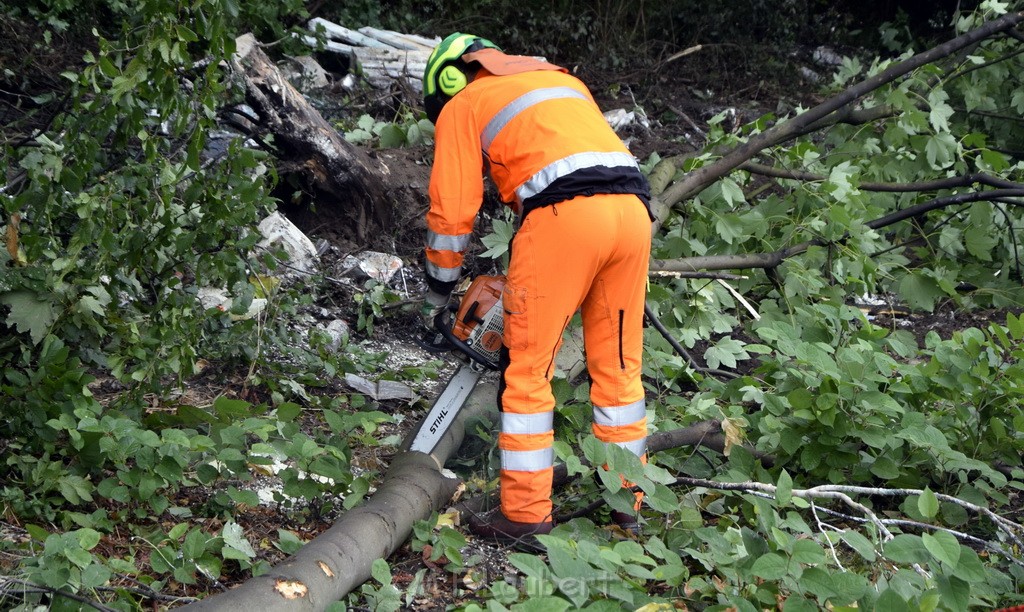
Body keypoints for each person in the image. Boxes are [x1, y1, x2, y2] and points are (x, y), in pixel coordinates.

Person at [419, 33, 652, 543]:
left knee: (526, 370)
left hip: (565, 219)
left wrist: (438, 291)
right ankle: (629, 505)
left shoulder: (465, 102)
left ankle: (524, 516)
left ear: (451, 77)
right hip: (633, 215)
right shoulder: (561, 81)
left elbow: (452, 214)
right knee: (617, 368)